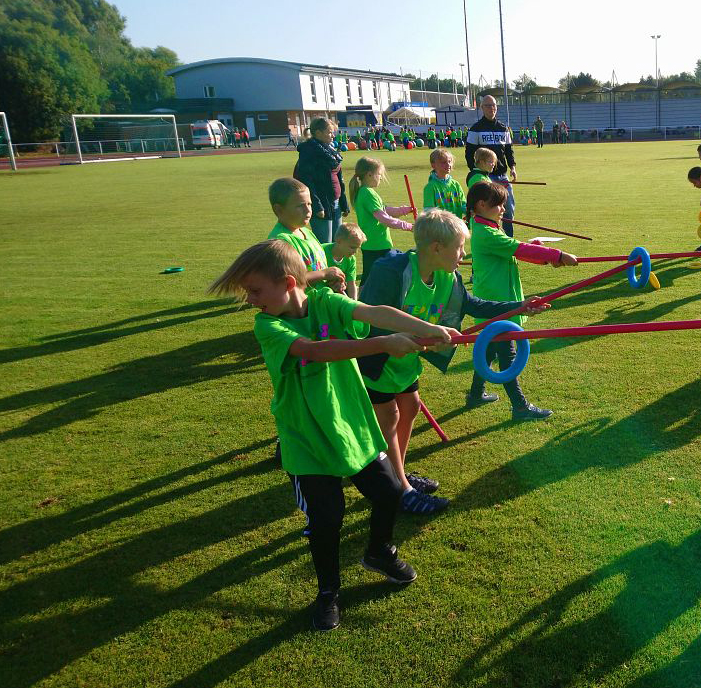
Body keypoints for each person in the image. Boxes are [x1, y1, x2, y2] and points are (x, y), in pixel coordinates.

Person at [208, 239, 458, 631]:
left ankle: (380, 552)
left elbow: (374, 311)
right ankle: (328, 593)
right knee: (328, 519)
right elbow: (314, 350)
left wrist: (427, 328)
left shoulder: (325, 302)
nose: (251, 300)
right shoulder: (268, 325)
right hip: (307, 440)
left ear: (288, 282)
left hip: (351, 428)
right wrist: (379, 344)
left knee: (390, 492)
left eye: (255, 291)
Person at [358, 211, 549, 514]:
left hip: (406, 362)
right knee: (390, 417)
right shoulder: (391, 271)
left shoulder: (448, 276)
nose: (462, 254)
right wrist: (420, 332)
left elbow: (474, 305)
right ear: (435, 248)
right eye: (458, 248)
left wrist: (519, 307)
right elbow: (370, 317)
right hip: (378, 358)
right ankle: (401, 491)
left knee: (410, 407)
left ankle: (398, 472)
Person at [465, 181, 576, 418]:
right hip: (496, 302)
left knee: (488, 351)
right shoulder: (486, 233)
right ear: (482, 205)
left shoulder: (488, 226)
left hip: (499, 297)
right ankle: (520, 406)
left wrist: (545, 256)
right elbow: (518, 250)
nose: (504, 209)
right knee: (508, 355)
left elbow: (516, 252)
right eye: (499, 205)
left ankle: (475, 395)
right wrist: (558, 255)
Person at [266, 178, 344, 291]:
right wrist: (323, 274)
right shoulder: (280, 241)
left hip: (320, 302)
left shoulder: (307, 232)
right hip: (302, 306)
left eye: (309, 204)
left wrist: (331, 282)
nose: (308, 210)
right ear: (278, 210)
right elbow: (287, 280)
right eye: (300, 206)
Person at [465, 95, 519, 237]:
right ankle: (491, 239)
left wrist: (512, 167)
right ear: (482, 108)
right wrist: (477, 173)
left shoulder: (503, 128)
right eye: (488, 105)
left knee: (508, 211)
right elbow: (469, 153)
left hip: (502, 176)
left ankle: (508, 240)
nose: (491, 108)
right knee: (488, 212)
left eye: (493, 105)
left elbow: (509, 150)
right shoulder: (475, 129)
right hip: (485, 177)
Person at [294, 117, 345, 243]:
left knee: (337, 243)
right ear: (318, 133)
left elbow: (339, 178)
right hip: (322, 204)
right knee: (324, 245)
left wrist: (343, 202)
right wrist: (317, 206)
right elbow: (306, 182)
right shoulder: (309, 152)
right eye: (329, 132)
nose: (333, 135)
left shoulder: (330, 151)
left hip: (335, 202)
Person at [323, 223, 364, 300]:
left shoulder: (351, 259)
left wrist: (353, 303)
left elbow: (351, 284)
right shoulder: (321, 251)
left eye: (357, 248)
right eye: (352, 247)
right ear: (339, 241)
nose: (355, 252)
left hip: (336, 293)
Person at [422, 148, 465, 219]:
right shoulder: (430, 187)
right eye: (443, 162)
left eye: (449, 161)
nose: (448, 164)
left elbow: (463, 204)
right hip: (439, 227)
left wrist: (470, 211)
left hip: (456, 225)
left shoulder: (456, 185)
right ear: (433, 165)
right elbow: (428, 210)